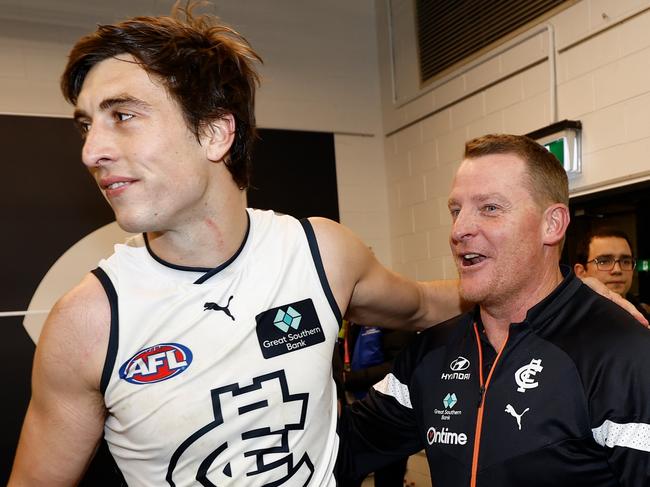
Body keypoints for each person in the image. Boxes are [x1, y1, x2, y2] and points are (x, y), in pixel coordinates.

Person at [7, 5, 465, 487]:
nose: (90, 151)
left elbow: (423, 307)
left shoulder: (319, 252)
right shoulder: (89, 321)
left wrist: (535, 287)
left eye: (122, 115)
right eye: (86, 125)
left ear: (214, 132)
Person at [338, 134, 650, 486]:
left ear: (552, 224)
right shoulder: (432, 352)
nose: (459, 230)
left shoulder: (622, 353)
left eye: (490, 208)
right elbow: (336, 452)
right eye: (456, 210)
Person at [574, 227, 649, 319]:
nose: (617, 270)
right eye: (604, 261)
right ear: (581, 272)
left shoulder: (642, 316)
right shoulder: (571, 323)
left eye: (626, 261)